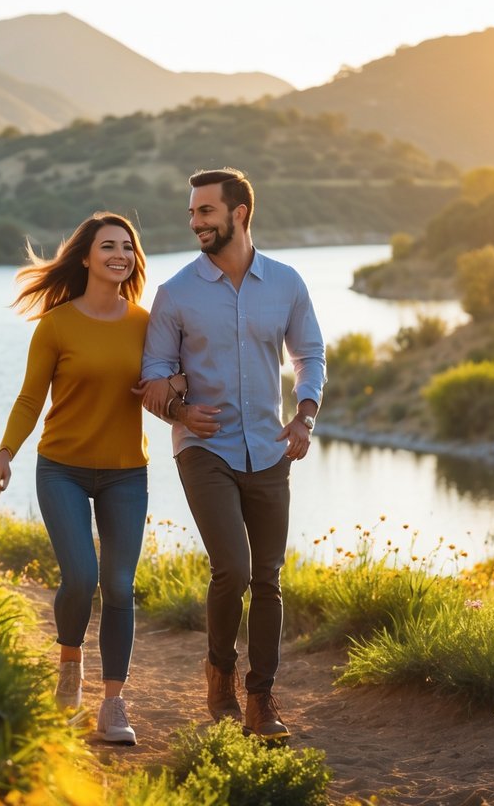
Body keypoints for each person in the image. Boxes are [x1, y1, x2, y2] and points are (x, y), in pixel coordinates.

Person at [138, 168, 326, 741]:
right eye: (193, 212)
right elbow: (150, 378)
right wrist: (178, 412)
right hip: (203, 448)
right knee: (234, 569)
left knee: (267, 578)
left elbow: (310, 354)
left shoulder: (287, 283)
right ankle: (219, 668)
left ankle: (260, 699)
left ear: (238, 213)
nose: (194, 221)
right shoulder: (175, 294)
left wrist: (306, 414)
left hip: (270, 448)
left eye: (205, 212)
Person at [0, 212, 149, 745]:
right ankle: (69, 666)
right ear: (86, 257)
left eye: (127, 246)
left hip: (127, 472)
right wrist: (6, 453)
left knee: (120, 586)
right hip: (63, 470)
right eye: (108, 246)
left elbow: (170, 385)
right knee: (81, 577)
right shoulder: (55, 324)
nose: (120, 254)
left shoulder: (146, 324)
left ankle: (113, 704)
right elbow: (31, 397)